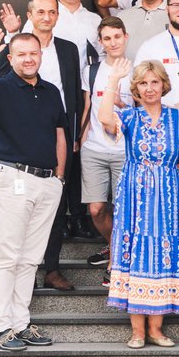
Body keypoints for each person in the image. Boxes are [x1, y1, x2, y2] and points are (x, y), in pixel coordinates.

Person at [0, 30, 66, 352]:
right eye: (22, 54)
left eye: (33, 53)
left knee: (31, 259)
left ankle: (20, 323)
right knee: (8, 256)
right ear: (11, 58)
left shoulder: (50, 91)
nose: (28, 59)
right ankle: (1, 328)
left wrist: (59, 178)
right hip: (11, 177)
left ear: (40, 55)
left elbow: (59, 134)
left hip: (47, 182)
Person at [97, 59, 179, 348]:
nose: (150, 88)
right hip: (134, 194)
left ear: (164, 85)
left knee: (165, 253)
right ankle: (137, 331)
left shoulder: (177, 118)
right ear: (136, 88)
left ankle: (156, 329)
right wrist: (113, 80)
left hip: (169, 194)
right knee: (135, 253)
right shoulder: (129, 117)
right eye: (143, 83)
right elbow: (105, 118)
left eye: (154, 82)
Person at [0, 0, 83, 291]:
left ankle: (52, 269)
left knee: (55, 203)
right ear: (30, 15)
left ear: (58, 15)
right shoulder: (19, 47)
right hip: (21, 139)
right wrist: (11, 35)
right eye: (41, 12)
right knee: (20, 211)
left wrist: (74, 134)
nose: (47, 17)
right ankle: (23, 273)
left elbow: (74, 94)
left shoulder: (68, 49)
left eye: (52, 12)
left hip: (58, 135)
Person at [79, 18, 131, 278]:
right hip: (94, 149)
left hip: (125, 151)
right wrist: (81, 140)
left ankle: (117, 260)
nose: (113, 42)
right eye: (107, 38)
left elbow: (145, 111)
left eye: (117, 36)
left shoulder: (137, 70)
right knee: (96, 209)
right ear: (100, 42)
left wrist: (122, 104)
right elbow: (88, 108)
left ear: (126, 37)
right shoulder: (91, 71)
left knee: (123, 209)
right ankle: (115, 247)